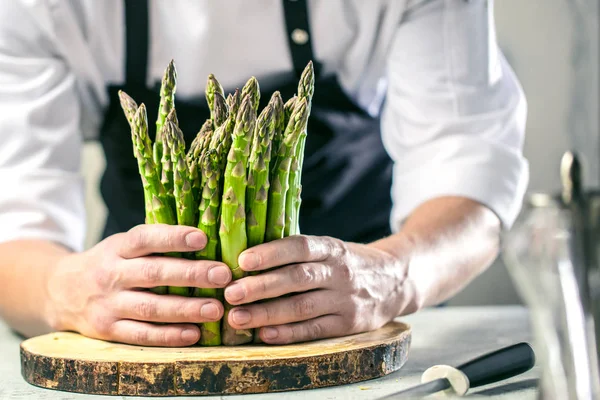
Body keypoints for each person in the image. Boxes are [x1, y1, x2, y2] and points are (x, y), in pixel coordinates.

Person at [0, 0, 528, 347]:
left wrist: (393, 276)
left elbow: (468, 163)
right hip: (145, 341)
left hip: (358, 333)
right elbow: (14, 224)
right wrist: (61, 288)